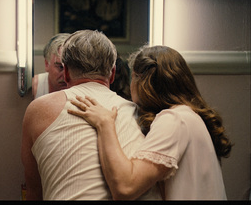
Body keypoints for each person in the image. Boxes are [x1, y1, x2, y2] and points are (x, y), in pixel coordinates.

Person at [68, 45, 233, 200]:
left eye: (133, 77)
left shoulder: (174, 120)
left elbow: (126, 188)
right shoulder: (189, 116)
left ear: (140, 80)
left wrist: (105, 124)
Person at [21, 30, 162, 200]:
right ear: (112, 74)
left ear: (65, 73)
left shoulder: (38, 110)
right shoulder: (140, 114)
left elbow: (34, 191)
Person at [32, 33, 71, 99]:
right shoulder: (35, 87)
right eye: (60, 67)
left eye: (70, 68)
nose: (65, 75)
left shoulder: (83, 87)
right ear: (47, 64)